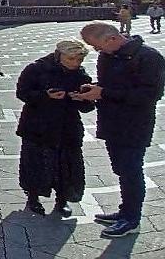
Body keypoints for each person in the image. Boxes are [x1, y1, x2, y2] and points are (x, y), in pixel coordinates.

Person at [74, 22, 165, 237]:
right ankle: (124, 212)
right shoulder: (108, 56)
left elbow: (149, 95)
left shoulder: (149, 57)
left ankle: (131, 219)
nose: (96, 51)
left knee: (131, 171)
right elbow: (110, 87)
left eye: (97, 46)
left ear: (112, 39)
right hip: (111, 122)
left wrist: (103, 92)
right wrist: (92, 90)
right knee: (121, 169)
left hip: (135, 125)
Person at [15, 40, 95, 216]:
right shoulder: (36, 69)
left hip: (67, 126)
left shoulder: (80, 74)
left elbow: (89, 104)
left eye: (79, 60)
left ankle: (62, 199)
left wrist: (82, 98)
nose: (75, 63)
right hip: (38, 125)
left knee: (65, 163)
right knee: (36, 162)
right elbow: (22, 93)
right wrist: (45, 96)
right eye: (71, 58)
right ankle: (33, 197)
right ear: (59, 55)